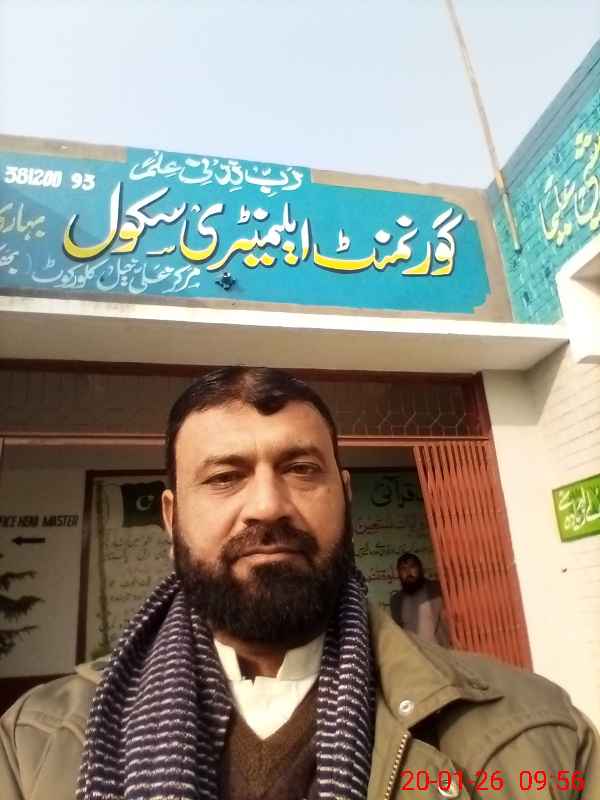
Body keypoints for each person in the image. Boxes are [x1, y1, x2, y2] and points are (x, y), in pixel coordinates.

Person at [1, 366, 598, 800]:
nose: (268, 505)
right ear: (171, 516)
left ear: (344, 495)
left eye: (301, 470)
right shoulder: (34, 746)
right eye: (225, 477)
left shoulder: (532, 734)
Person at [389, 552, 450, 646]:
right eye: (403, 569)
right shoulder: (396, 600)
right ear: (399, 573)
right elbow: (399, 633)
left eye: (412, 567)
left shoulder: (438, 589)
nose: (408, 572)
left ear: (420, 569)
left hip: (440, 652)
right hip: (414, 653)